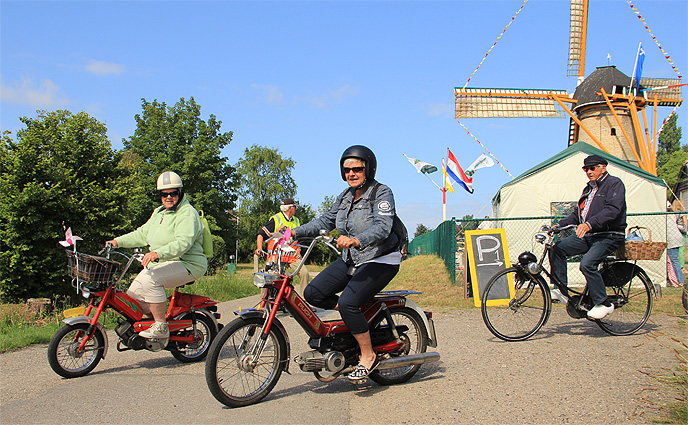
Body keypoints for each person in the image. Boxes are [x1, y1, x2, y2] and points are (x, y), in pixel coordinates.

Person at [293, 145, 402, 383]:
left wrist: (356, 239)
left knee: (348, 302)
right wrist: (292, 232)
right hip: (352, 258)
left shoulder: (382, 193)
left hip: (381, 258)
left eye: (357, 169)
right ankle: (358, 316)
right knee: (313, 293)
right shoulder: (344, 196)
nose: (352, 173)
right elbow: (324, 220)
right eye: (347, 170)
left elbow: (383, 227)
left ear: (368, 169)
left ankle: (368, 355)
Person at [106, 171, 207, 340]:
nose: (168, 197)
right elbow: (141, 234)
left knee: (152, 280)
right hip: (162, 263)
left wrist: (157, 253)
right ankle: (150, 329)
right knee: (132, 299)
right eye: (164, 194)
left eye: (173, 193)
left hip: (188, 263)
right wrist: (117, 241)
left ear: (180, 192)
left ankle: (161, 326)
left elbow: (183, 243)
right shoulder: (159, 212)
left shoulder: (187, 213)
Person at [548, 154, 626, 319]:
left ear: (603, 167)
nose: (589, 171)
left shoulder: (614, 184)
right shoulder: (589, 188)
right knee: (557, 249)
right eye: (586, 169)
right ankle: (561, 291)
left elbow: (612, 210)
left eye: (592, 168)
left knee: (587, 264)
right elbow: (578, 214)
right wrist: (558, 226)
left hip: (608, 235)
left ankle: (603, 303)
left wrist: (590, 224)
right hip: (590, 235)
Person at [254, 198, 310, 294]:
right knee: (268, 277)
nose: (296, 209)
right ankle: (263, 306)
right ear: (289, 208)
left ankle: (303, 304)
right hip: (277, 255)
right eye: (294, 207)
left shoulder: (296, 221)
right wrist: (259, 248)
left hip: (292, 255)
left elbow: (298, 238)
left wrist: (299, 249)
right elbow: (261, 234)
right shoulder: (276, 219)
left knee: (305, 273)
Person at [666, 201, 686, 287]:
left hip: (672, 240)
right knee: (674, 260)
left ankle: (679, 280)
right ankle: (676, 279)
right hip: (678, 238)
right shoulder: (673, 215)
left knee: (673, 260)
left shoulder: (670, 215)